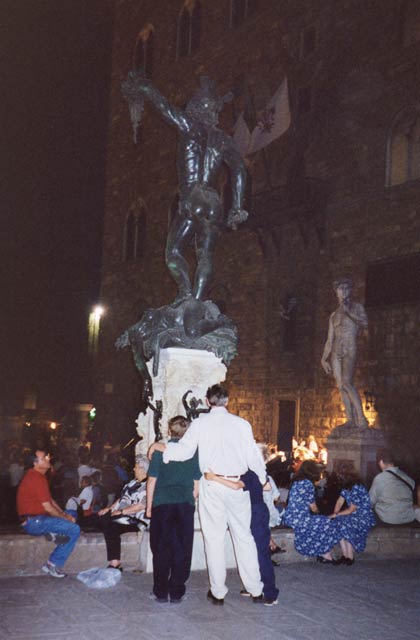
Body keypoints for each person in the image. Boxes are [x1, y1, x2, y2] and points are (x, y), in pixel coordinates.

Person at [122, 73, 249, 303]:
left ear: (198, 108)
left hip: (193, 197)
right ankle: (196, 302)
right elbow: (239, 170)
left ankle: (186, 294)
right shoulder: (224, 140)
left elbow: (164, 107)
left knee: (172, 253)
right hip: (214, 201)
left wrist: (145, 86)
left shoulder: (190, 127)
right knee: (205, 254)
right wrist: (237, 207)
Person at [148, 384, 266, 605]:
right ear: (227, 400)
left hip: (212, 484)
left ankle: (219, 592)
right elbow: (253, 457)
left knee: (214, 538)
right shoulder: (242, 424)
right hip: (236, 483)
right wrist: (263, 480)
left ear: (206, 400)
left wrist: (160, 447)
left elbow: (184, 451)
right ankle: (255, 589)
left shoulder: (200, 424)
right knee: (244, 537)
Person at [204, 468, 279, 606]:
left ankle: (270, 593)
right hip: (255, 509)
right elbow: (268, 487)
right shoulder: (258, 471)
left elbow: (236, 485)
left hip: (254, 510)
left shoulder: (250, 472)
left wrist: (214, 478)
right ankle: (255, 586)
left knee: (260, 553)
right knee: (252, 549)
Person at [146, 416, 201, 603]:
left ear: (169, 431)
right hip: (184, 504)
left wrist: (149, 507)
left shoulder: (161, 451)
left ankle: (160, 591)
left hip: (162, 504)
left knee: (161, 548)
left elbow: (152, 480)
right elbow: (196, 483)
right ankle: (176, 591)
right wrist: (190, 501)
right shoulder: (193, 452)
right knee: (182, 549)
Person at [16, 450, 80, 578]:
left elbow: (50, 500)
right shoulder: (35, 477)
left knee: (72, 512)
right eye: (44, 458)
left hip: (39, 519)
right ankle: (52, 563)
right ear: (35, 463)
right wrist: (66, 518)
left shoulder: (39, 476)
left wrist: (64, 514)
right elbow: (48, 508)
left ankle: (56, 534)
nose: (47, 458)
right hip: (34, 522)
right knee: (75, 529)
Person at [321, 278, 368, 428]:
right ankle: (350, 419)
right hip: (336, 350)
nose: (344, 291)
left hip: (349, 347)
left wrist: (349, 313)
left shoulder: (356, 308)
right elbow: (329, 339)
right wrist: (323, 359)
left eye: (346, 288)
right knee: (340, 386)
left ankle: (361, 418)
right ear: (337, 292)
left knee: (347, 382)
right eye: (341, 289)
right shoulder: (334, 315)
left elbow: (364, 323)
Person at [96, 455, 149, 570]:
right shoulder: (132, 483)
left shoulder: (149, 485)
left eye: (136, 467)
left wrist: (121, 511)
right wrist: (109, 509)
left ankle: (115, 563)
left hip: (138, 519)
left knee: (111, 525)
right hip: (124, 515)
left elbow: (141, 506)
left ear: (142, 469)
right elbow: (121, 499)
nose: (134, 469)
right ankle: (115, 562)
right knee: (101, 518)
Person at [283, 460, 342, 563]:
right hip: (299, 519)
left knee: (321, 522)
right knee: (327, 522)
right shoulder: (307, 484)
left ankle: (324, 554)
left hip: (290, 517)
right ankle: (324, 554)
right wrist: (322, 513)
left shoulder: (296, 481)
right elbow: (313, 507)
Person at [329, 465, 376, 564]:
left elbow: (351, 510)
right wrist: (335, 514)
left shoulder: (357, 487)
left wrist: (336, 515)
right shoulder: (346, 488)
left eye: (340, 475)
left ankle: (350, 556)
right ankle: (345, 555)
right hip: (354, 515)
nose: (339, 477)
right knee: (337, 522)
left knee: (346, 523)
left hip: (363, 516)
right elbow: (339, 502)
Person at [369, 449, 420, 524]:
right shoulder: (407, 478)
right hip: (407, 516)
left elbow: (370, 501)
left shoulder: (380, 478)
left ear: (381, 462)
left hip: (388, 517)